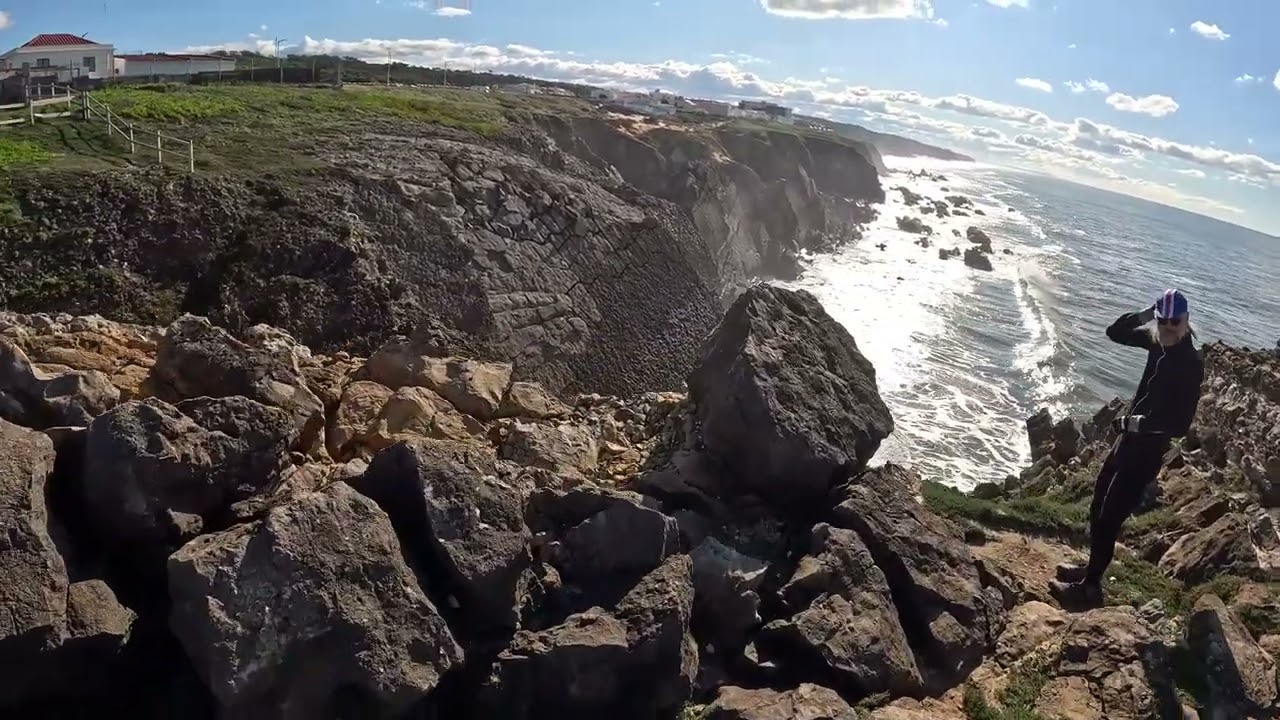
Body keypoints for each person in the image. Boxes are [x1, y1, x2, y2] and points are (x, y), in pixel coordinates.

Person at [1050, 288, 1204, 608]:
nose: (1167, 329)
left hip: (1146, 453)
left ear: (1187, 321)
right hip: (1125, 443)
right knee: (1097, 505)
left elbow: (1179, 425)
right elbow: (1115, 332)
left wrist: (1135, 424)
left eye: (1174, 323)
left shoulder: (1191, 363)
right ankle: (1090, 568)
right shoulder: (1156, 342)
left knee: (1110, 517)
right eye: (1162, 323)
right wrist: (1147, 314)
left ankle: (1090, 588)